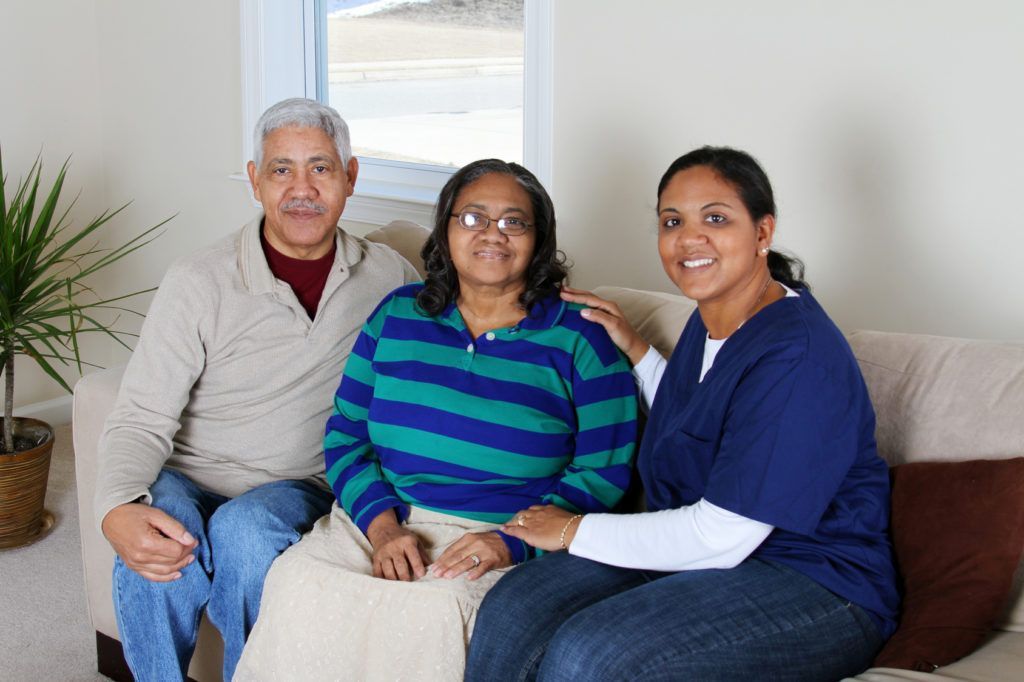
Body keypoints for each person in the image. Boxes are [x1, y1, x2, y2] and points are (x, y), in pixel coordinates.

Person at [465, 147, 900, 681]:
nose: (690, 238)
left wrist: (572, 530)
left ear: (763, 232)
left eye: (715, 218)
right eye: (673, 221)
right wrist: (638, 351)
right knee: (518, 605)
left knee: (592, 653)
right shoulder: (713, 315)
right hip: (710, 559)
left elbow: (721, 535)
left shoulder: (797, 353)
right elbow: (709, 410)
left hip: (815, 581)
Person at [234, 159, 638, 681]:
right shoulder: (397, 315)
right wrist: (381, 528)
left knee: (431, 612)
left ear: (539, 240)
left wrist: (510, 541)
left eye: (514, 222)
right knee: (298, 578)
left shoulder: (582, 337)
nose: (493, 234)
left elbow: (603, 473)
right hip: (382, 520)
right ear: (445, 231)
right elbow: (346, 436)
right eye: (472, 218)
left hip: (500, 534)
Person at [94, 97, 420, 682]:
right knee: (155, 521)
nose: (302, 188)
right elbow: (140, 416)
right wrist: (114, 508)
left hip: (298, 486)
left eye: (320, 167)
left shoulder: (390, 277)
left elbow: (460, 332)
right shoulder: (198, 279)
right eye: (281, 170)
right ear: (254, 181)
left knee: (245, 532)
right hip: (190, 478)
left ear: (351, 176)